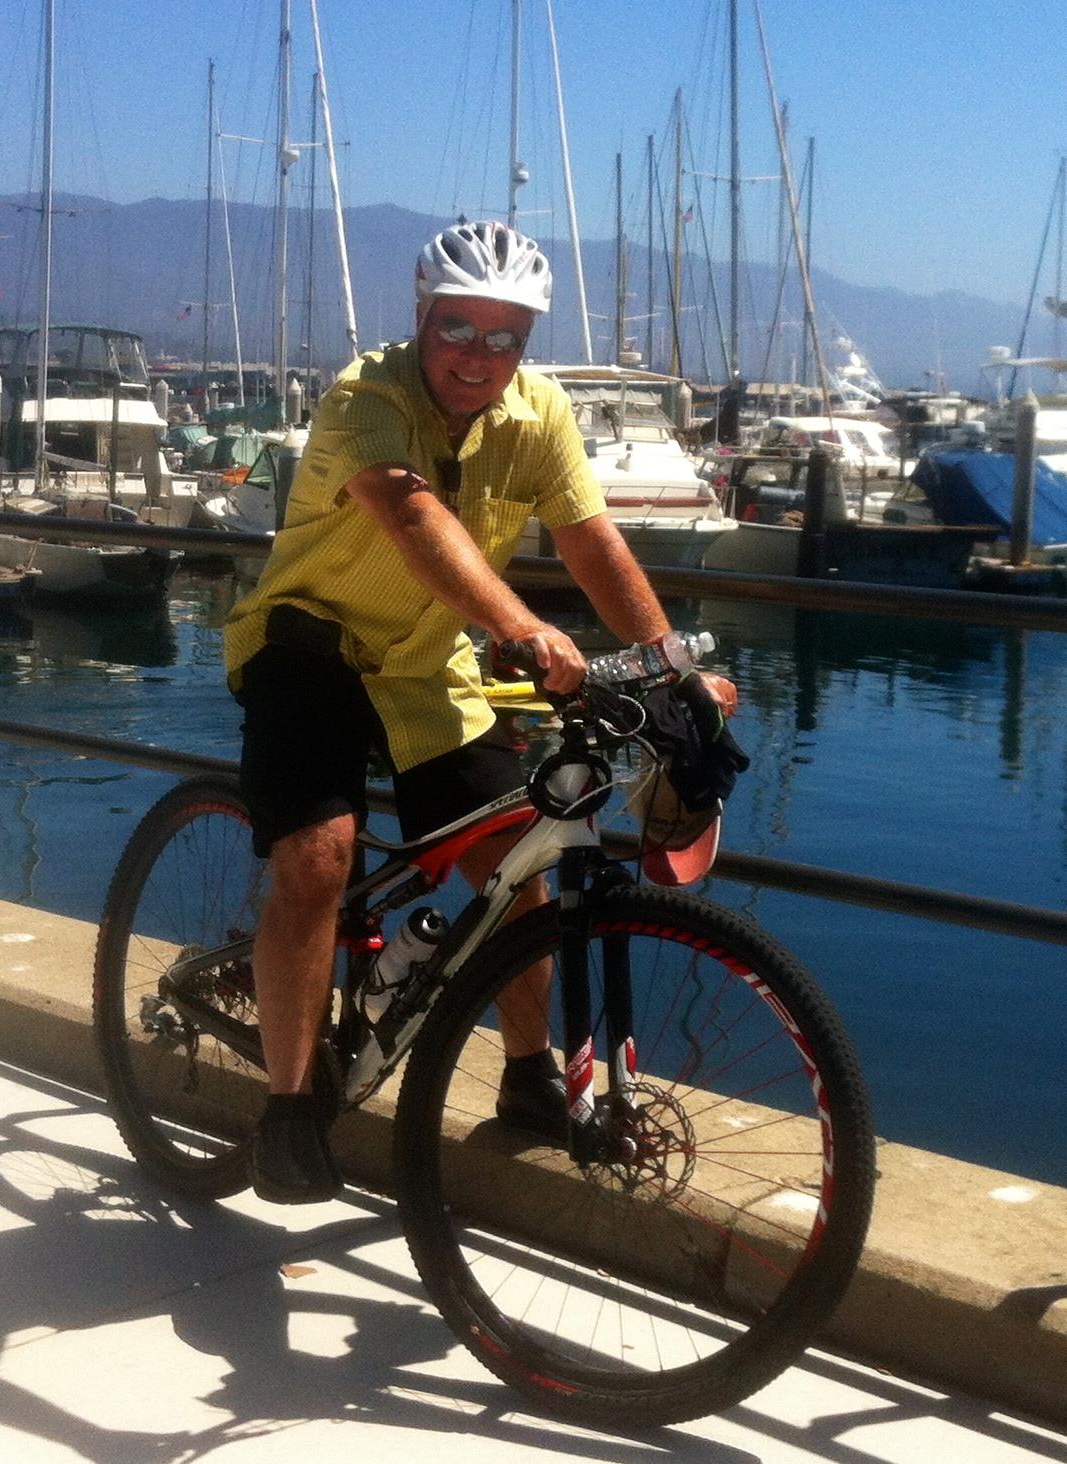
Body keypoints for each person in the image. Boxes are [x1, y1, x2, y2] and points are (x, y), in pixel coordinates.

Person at [226, 219, 712, 1203]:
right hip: (308, 648)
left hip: (425, 663)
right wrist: (524, 628)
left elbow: (591, 540)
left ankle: (529, 1078)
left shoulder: (538, 414)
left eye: (503, 338)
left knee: (514, 853)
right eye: (458, 329)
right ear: (421, 318)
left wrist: (671, 671)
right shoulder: (369, 396)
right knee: (317, 861)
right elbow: (412, 516)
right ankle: (285, 1108)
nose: (477, 356)